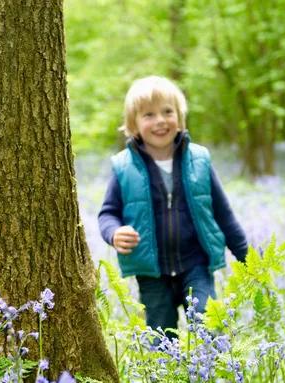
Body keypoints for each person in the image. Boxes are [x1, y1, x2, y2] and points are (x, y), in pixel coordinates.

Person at [98, 76, 247, 340]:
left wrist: (247, 257)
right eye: (149, 115)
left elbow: (223, 214)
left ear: (180, 117)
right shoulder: (124, 167)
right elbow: (108, 213)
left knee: (210, 328)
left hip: (196, 265)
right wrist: (114, 232)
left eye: (168, 111)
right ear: (134, 125)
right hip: (152, 273)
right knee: (161, 340)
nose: (160, 121)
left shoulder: (199, 160)